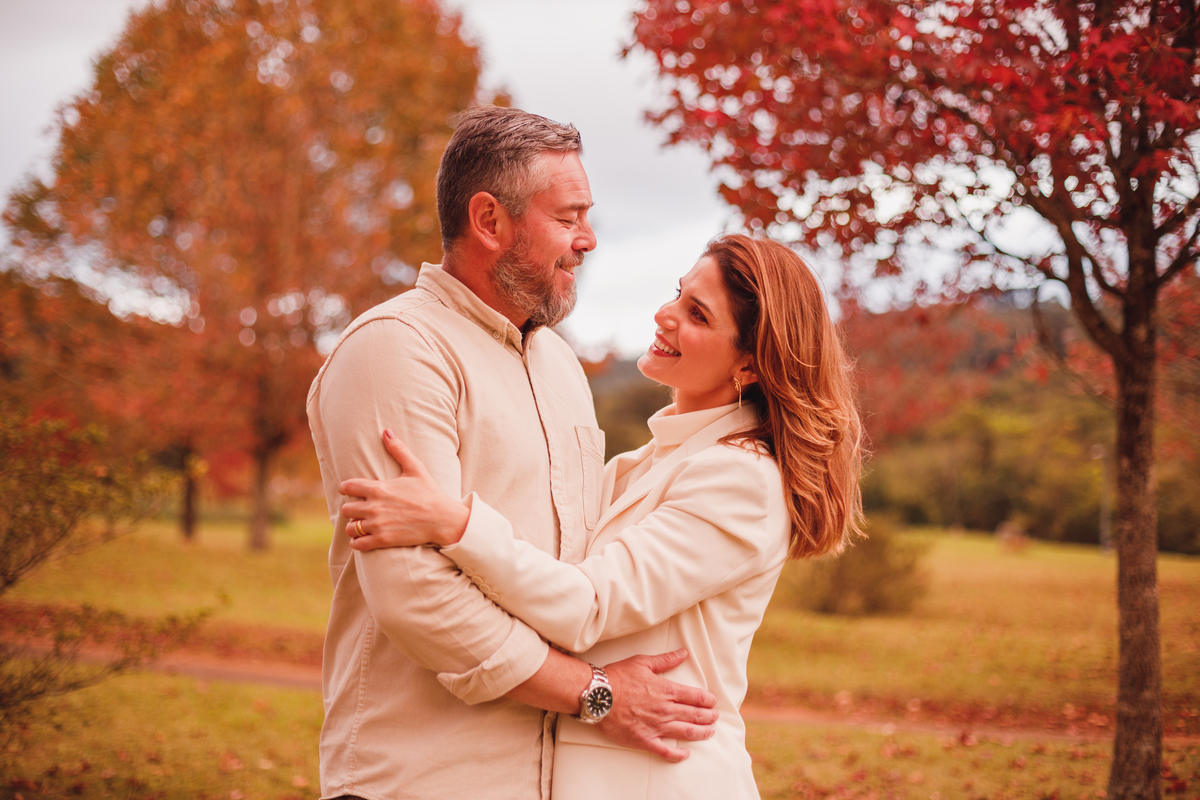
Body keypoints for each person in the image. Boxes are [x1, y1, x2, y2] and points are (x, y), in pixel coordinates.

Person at [340, 234, 866, 799]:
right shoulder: (644, 463)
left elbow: (585, 605)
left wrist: (455, 523)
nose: (664, 316)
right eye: (677, 294)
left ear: (749, 363)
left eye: (697, 314)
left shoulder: (742, 479)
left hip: (659, 779)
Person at [307, 106, 719, 800]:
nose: (587, 241)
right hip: (419, 781)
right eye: (568, 217)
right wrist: (597, 695)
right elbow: (415, 597)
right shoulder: (398, 351)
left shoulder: (558, 364)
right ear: (490, 221)